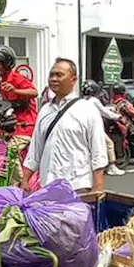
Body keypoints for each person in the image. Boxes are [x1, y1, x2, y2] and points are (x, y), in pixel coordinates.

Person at [22, 59, 109, 192]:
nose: (53, 79)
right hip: (48, 186)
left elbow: (98, 152)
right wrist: (25, 180)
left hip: (77, 186)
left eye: (59, 75)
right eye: (51, 75)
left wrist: (98, 189)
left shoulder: (87, 109)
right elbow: (35, 150)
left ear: (73, 80)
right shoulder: (45, 110)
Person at [0, 45, 38, 151]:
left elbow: (34, 92)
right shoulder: (1, 80)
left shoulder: (17, 78)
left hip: (26, 125)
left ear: (6, 63)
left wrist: (15, 90)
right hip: (12, 125)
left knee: (11, 152)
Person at [82, 80, 127, 176]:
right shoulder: (94, 100)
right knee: (109, 144)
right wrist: (117, 116)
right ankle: (112, 166)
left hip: (83, 128)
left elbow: (102, 109)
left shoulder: (81, 101)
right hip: (93, 128)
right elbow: (104, 112)